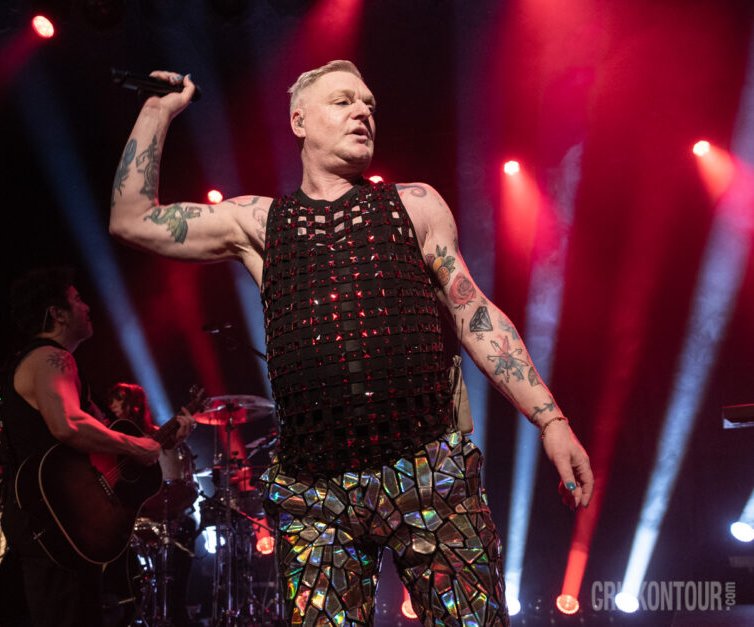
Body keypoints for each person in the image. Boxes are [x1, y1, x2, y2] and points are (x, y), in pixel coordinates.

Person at [108, 61, 593, 626]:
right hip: (314, 491)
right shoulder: (259, 222)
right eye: (343, 101)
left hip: (429, 471)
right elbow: (131, 219)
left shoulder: (415, 205)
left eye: (368, 104)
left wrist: (551, 420)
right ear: (299, 121)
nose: (363, 111)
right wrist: (158, 110)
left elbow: (473, 312)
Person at [0, 267, 194, 627]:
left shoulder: (57, 365)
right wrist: (137, 446)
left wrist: (160, 440)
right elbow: (68, 426)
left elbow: (98, 436)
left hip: (62, 523)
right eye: (77, 299)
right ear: (57, 313)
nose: (87, 307)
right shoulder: (51, 358)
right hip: (54, 517)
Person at [107, 383, 198, 626]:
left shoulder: (156, 435)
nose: (112, 405)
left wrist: (176, 440)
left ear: (134, 404)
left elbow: (170, 475)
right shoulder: (106, 432)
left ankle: (175, 609)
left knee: (187, 525)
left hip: (151, 509)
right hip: (115, 510)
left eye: (118, 400)